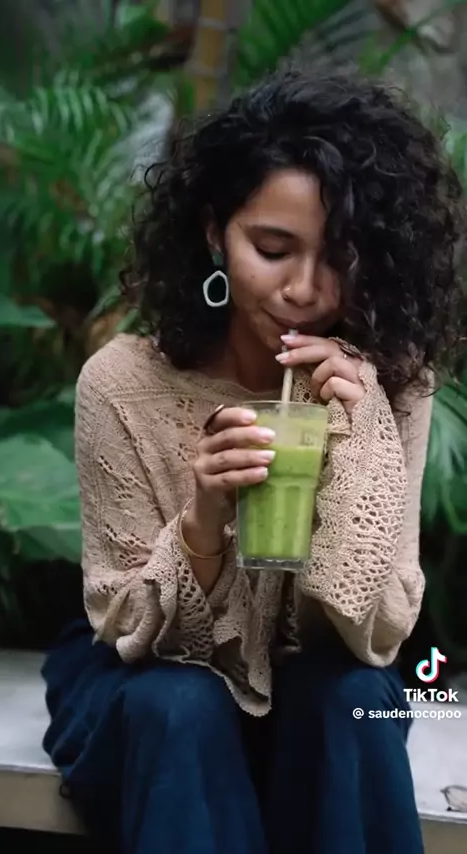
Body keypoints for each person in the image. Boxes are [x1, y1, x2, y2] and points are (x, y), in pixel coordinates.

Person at [42, 68, 464, 854]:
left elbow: (377, 634)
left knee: (348, 699)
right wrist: (203, 521)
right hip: (147, 678)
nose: (304, 289)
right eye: (272, 249)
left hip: (320, 679)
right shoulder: (124, 383)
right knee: (182, 705)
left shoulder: (393, 386)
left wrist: (360, 437)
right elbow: (124, 626)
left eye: (339, 257)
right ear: (214, 231)